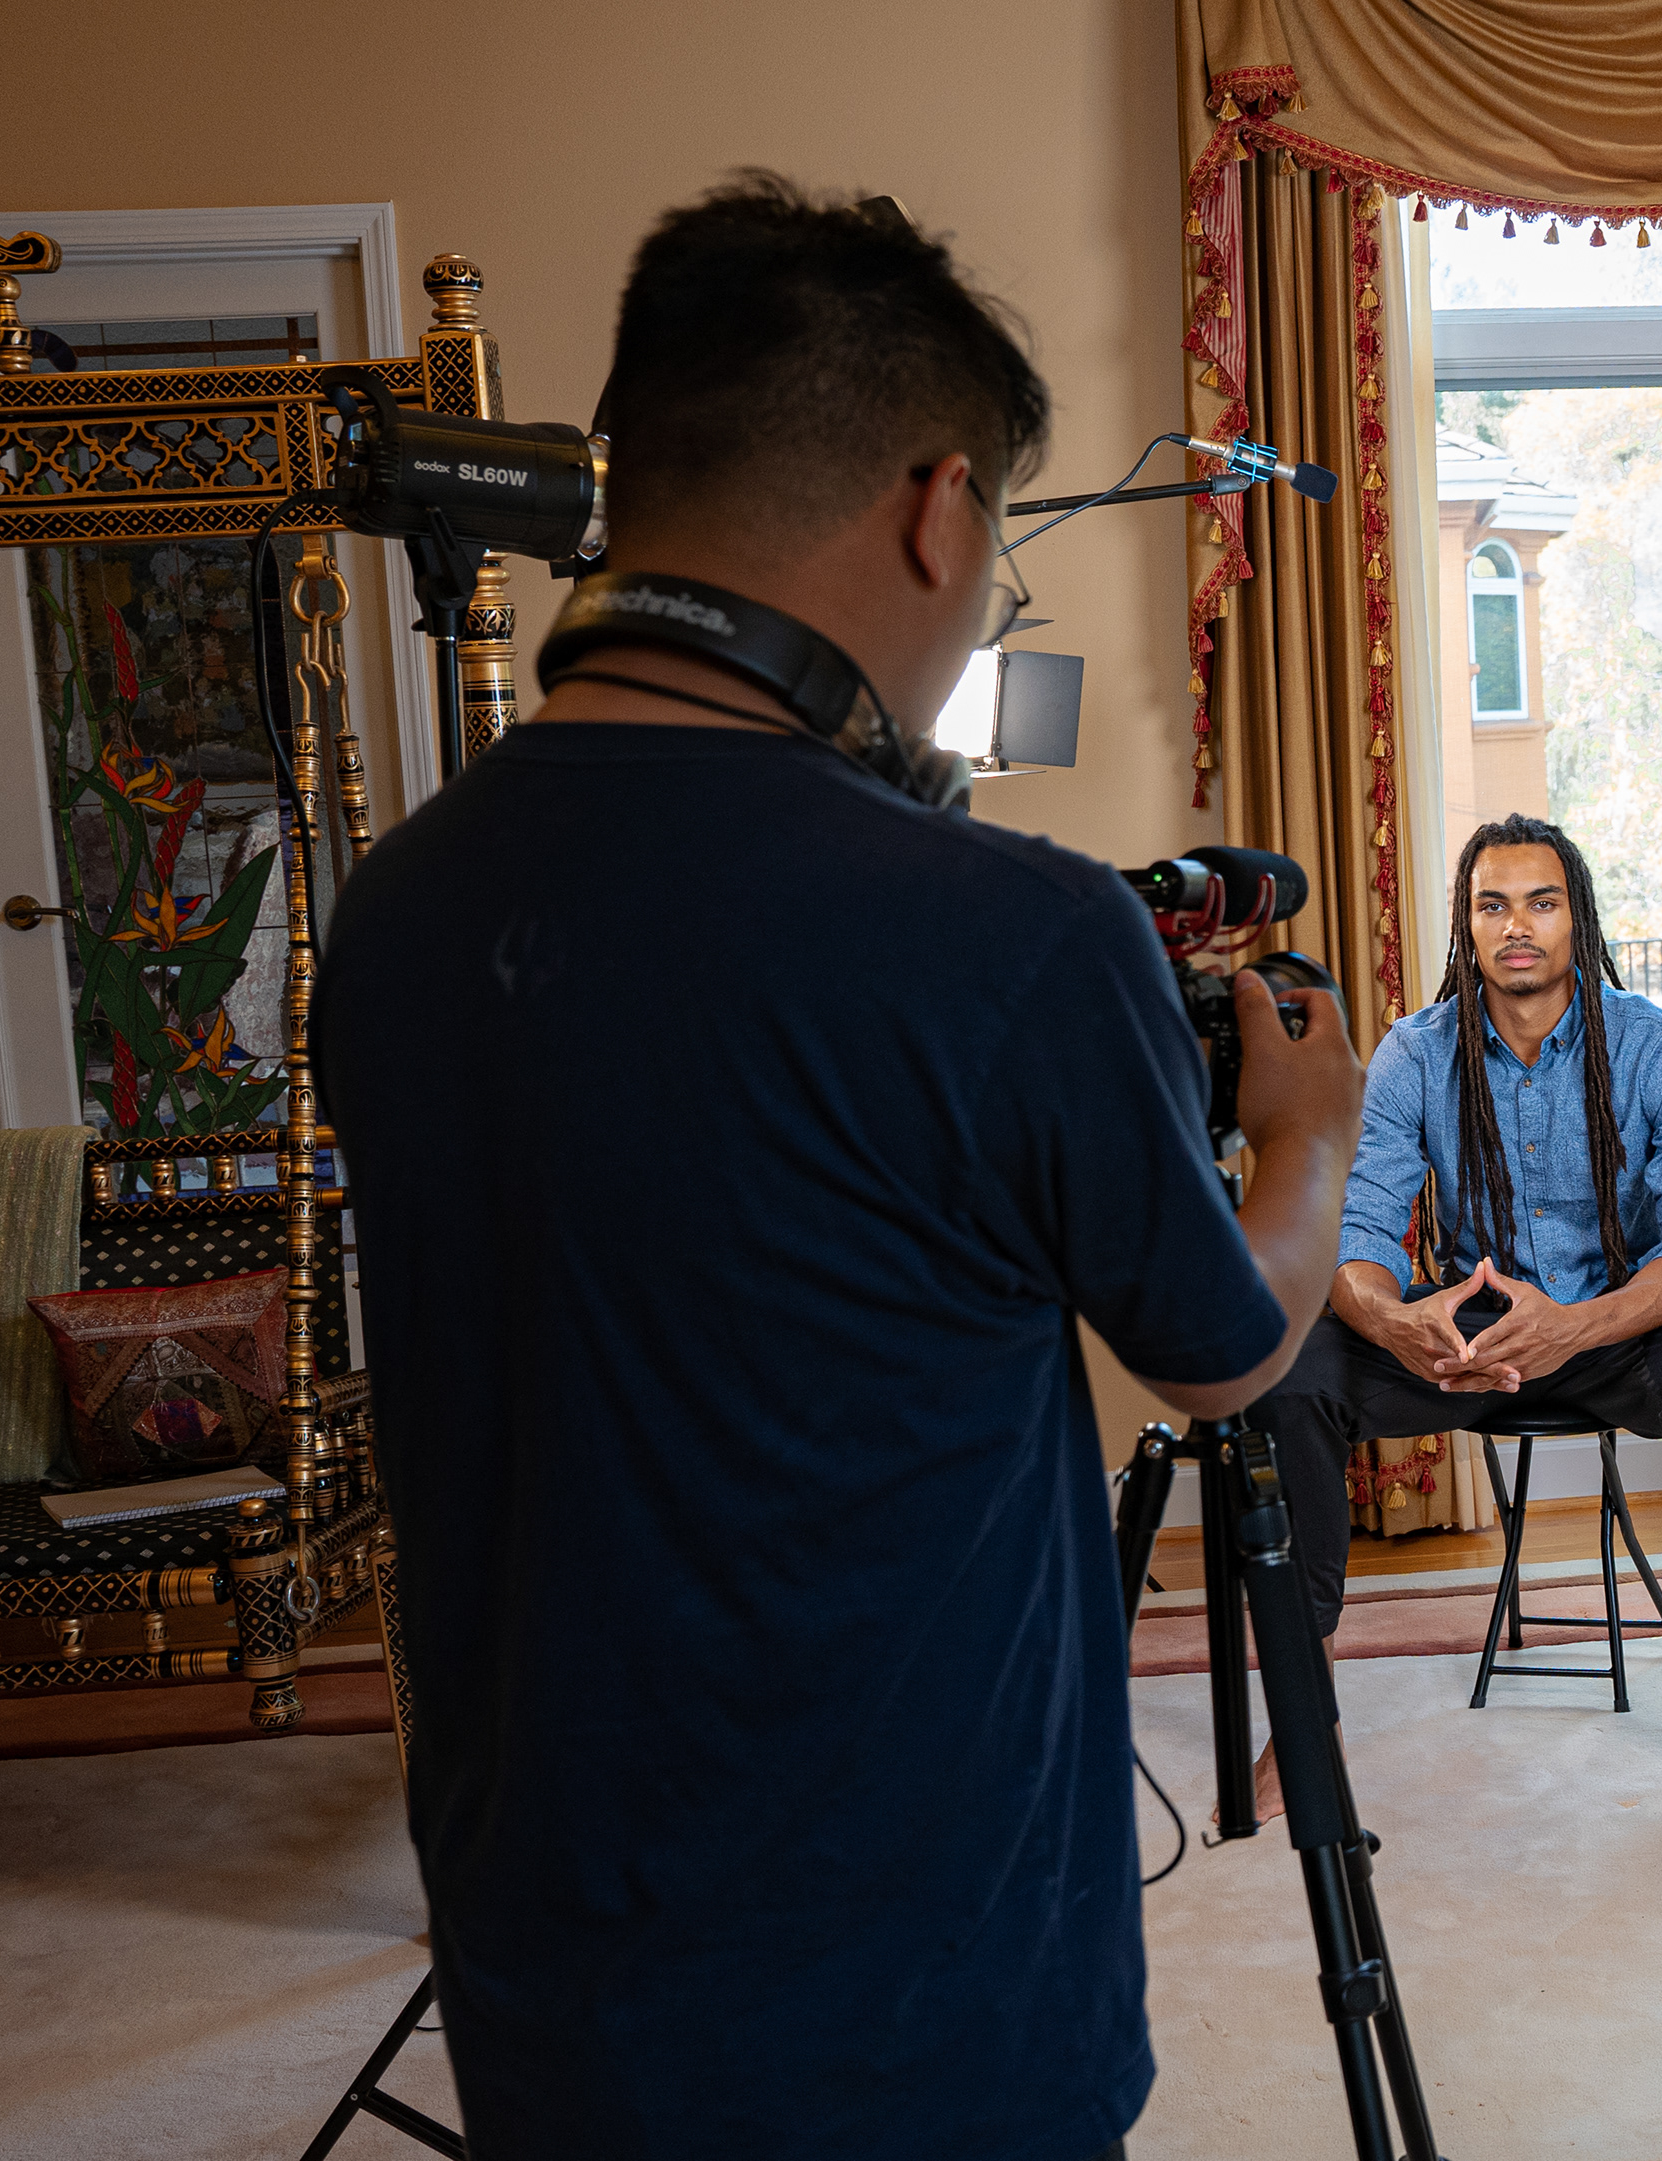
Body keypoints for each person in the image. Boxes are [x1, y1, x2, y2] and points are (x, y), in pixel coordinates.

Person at [323, 178, 1363, 2161]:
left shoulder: (401, 907)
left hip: (546, 1961)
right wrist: (1307, 1131)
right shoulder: (1015, 934)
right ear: (940, 509)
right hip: (924, 1993)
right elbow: (1224, 1352)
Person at [1249, 815, 1662, 1830]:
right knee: (1295, 1380)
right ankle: (1305, 1709)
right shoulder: (1416, 1051)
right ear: (1466, 924)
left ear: (1576, 916)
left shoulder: (1659, 1047)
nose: (1517, 926)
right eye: (1492, 904)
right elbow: (1356, 1230)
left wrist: (1576, 1327)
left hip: (1616, 1324)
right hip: (1467, 1331)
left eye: (1541, 902)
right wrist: (1394, 1321)